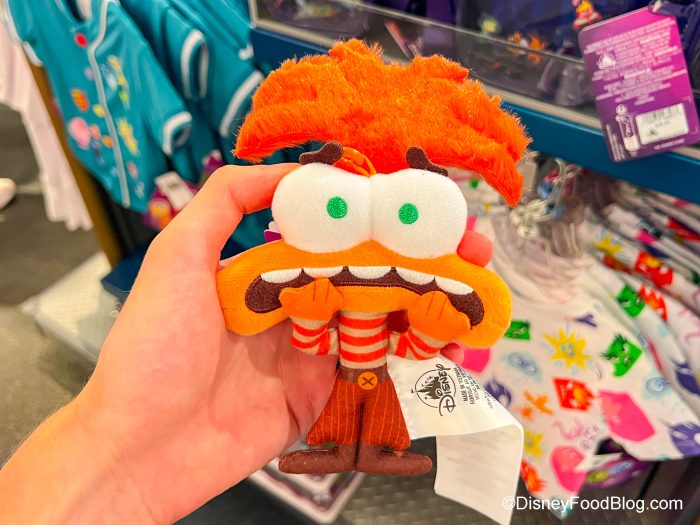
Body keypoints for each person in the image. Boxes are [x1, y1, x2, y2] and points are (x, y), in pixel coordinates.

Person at [0, 164, 470, 524]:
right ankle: (342, 452)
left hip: (372, 378)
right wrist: (310, 317)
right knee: (340, 418)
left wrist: (427, 332)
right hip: (342, 377)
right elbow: (319, 342)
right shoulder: (305, 275)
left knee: (384, 421)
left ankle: (377, 452)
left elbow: (403, 348)